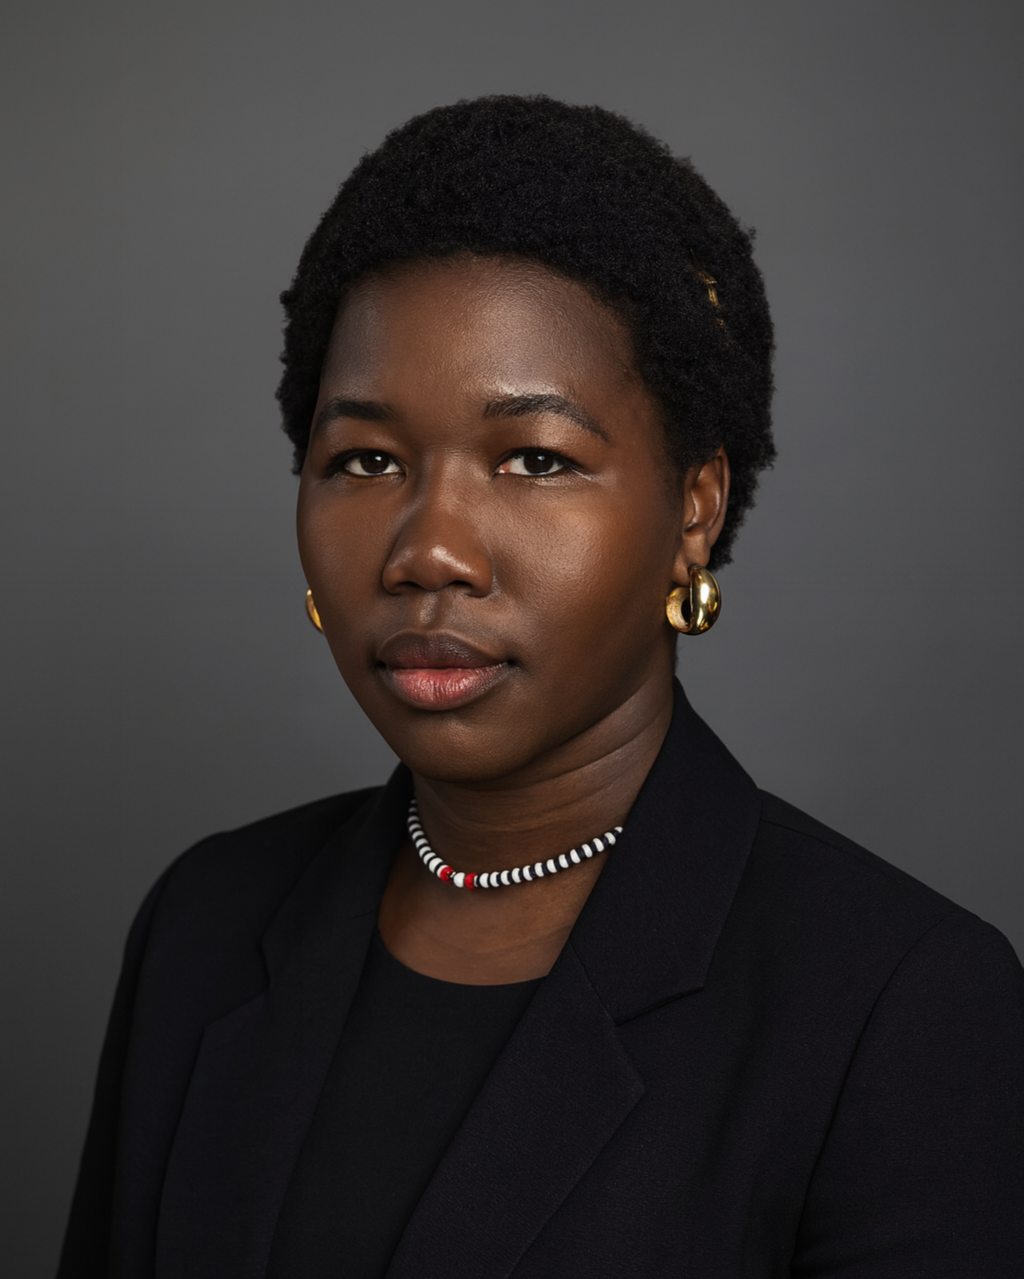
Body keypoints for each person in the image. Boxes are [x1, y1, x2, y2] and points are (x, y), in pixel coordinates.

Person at [58, 96, 1024, 1278]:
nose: (429, 550)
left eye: (534, 458)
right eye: (366, 458)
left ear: (693, 510)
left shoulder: (900, 1006)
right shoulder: (204, 924)